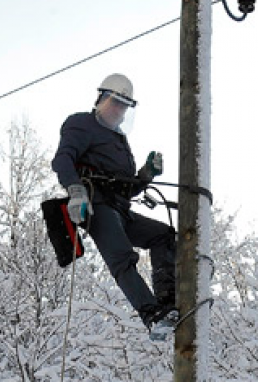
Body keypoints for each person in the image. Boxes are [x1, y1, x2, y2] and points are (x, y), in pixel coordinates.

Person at [51, 73, 178, 340]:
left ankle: (168, 303)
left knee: (163, 235)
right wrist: (76, 191)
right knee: (122, 256)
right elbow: (63, 159)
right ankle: (152, 315)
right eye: (114, 102)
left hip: (120, 209)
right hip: (96, 205)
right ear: (101, 99)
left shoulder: (120, 142)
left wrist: (145, 174)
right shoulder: (81, 124)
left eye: (124, 106)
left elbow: (127, 188)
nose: (118, 109)